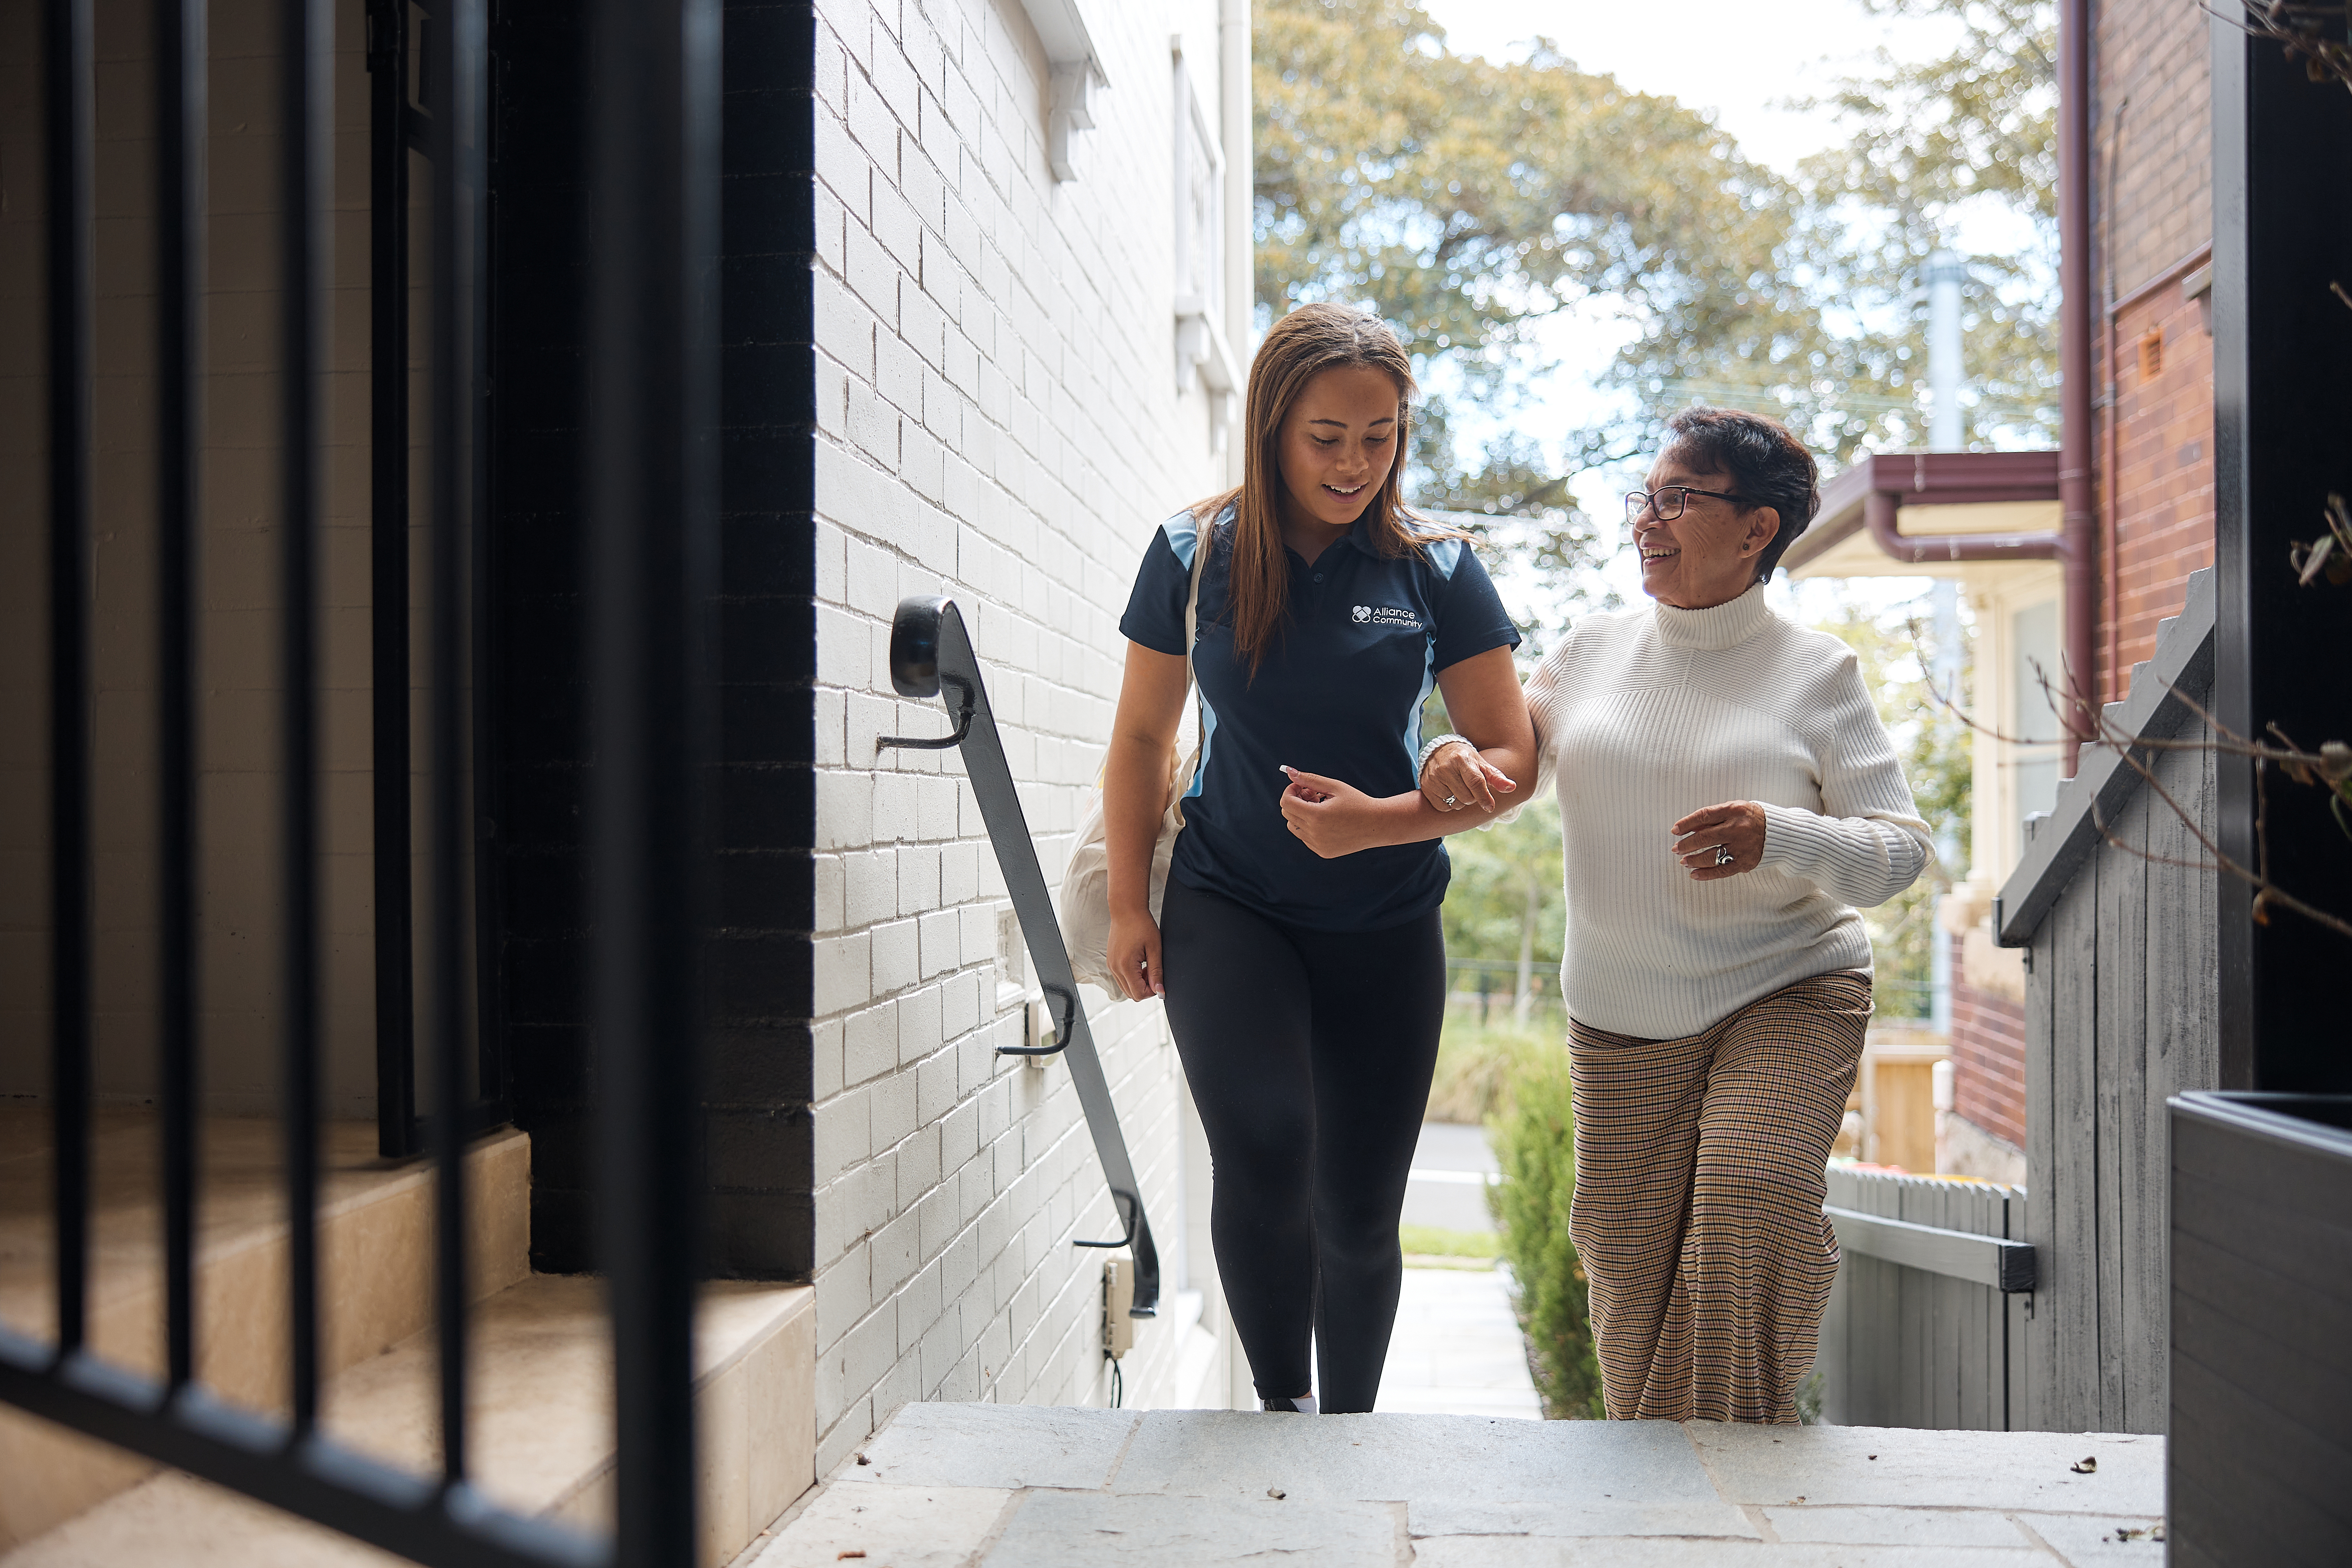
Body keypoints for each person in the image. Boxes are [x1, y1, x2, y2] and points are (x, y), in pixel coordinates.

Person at [1442, 405, 1930, 1425]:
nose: (1646, 520)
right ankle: (1675, 1483)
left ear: (1757, 529)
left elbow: (1901, 851)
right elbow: (1504, 766)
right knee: (1626, 1272)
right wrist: (1446, 758)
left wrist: (1781, 834)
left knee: (1750, 1199)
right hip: (1620, 1015)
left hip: (1785, 985)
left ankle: (1707, 1493)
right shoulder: (1587, 652)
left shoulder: (1818, 672)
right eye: (1645, 497)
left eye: (1677, 499)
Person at [1104, 304, 1535, 1415]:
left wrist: (1390, 814)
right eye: (1326, 436)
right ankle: (1281, 1409)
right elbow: (1144, 740)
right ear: (1272, 427)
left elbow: (1511, 757)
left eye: (1379, 435)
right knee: (1263, 1146)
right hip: (1228, 899)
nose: (1354, 463)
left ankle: (1350, 1427)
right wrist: (1125, 906)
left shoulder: (1435, 566)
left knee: (1355, 1206)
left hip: (1387, 915)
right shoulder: (1194, 553)